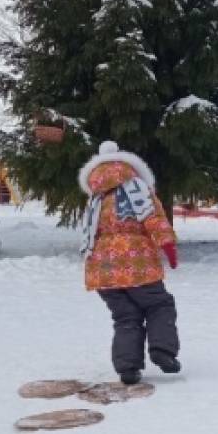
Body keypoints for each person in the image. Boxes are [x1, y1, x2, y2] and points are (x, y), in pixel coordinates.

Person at [80, 140, 180, 383]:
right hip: (136, 264)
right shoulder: (137, 188)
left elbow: (89, 232)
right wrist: (167, 244)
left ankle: (128, 368)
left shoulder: (96, 197)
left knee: (125, 317)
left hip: (101, 269)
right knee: (159, 305)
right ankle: (162, 350)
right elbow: (153, 217)